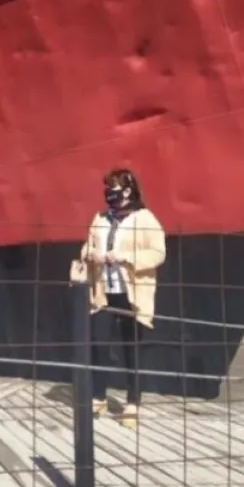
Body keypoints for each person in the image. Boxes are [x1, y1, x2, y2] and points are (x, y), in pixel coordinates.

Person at [72, 167, 165, 425]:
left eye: (112, 188)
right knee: (99, 344)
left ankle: (132, 403)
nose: (107, 193)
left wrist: (125, 257)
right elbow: (87, 245)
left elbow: (158, 253)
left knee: (131, 348)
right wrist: (90, 254)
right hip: (103, 292)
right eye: (106, 188)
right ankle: (98, 397)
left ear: (127, 191)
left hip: (131, 294)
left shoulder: (145, 218)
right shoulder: (100, 217)